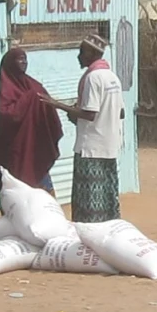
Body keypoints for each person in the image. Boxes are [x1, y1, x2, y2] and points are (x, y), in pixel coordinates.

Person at [56, 34, 127, 222]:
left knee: (88, 202)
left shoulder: (93, 78)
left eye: (81, 52)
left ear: (90, 53)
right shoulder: (112, 77)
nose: (79, 56)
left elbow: (90, 114)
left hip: (91, 149)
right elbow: (120, 113)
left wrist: (57, 104)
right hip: (109, 147)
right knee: (107, 198)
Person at [0, 48, 63, 192]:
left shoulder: (34, 86)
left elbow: (50, 114)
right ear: (11, 63)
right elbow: (7, 115)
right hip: (15, 152)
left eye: (25, 59)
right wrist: (29, 98)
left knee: (43, 199)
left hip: (35, 150)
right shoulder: (6, 89)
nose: (24, 62)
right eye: (20, 59)